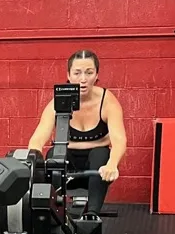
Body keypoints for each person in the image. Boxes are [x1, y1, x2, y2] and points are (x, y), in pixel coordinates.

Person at [27, 48, 127, 216]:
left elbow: (119, 140)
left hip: (96, 169)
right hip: (68, 165)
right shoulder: (56, 103)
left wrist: (112, 164)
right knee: (53, 155)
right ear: (68, 75)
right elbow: (36, 141)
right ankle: (53, 215)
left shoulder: (107, 101)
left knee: (102, 155)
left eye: (89, 73)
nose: (83, 79)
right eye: (77, 73)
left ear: (96, 75)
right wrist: (31, 164)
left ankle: (92, 215)